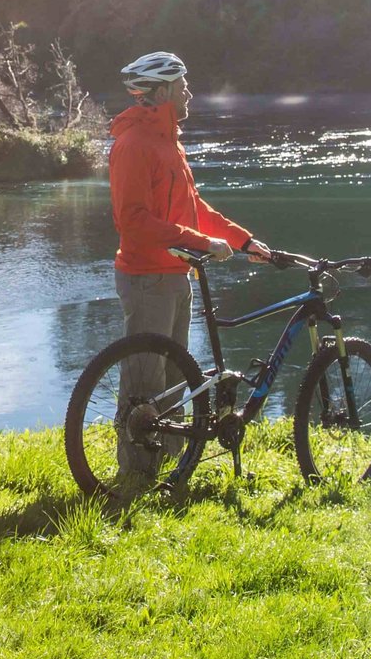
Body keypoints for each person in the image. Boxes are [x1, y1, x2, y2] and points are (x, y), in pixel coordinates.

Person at [108, 51, 270, 480]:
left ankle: (169, 469)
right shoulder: (133, 146)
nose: (189, 93)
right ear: (161, 93)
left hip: (176, 273)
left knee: (176, 377)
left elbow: (192, 208)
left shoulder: (168, 141)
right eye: (182, 86)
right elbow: (134, 221)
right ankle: (135, 479)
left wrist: (242, 239)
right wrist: (201, 243)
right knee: (143, 382)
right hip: (146, 278)